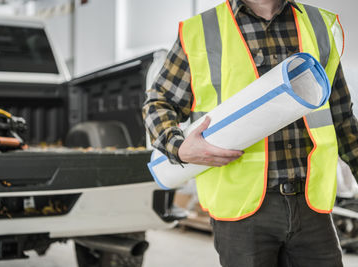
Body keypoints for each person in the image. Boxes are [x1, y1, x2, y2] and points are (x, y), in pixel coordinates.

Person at [142, 0, 358, 266]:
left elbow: (343, 119)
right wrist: (178, 147)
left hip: (311, 205)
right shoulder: (201, 30)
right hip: (242, 211)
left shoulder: (317, 24)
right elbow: (159, 103)